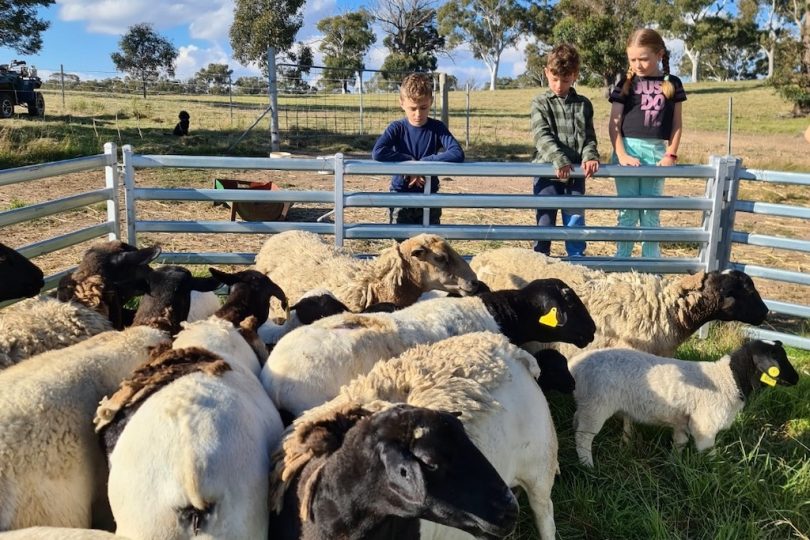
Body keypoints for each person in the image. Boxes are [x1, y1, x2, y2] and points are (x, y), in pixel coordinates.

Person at [609, 28, 687, 258]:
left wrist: (670, 154)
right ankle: (621, 260)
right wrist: (622, 155)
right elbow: (613, 124)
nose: (638, 64)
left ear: (659, 54)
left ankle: (651, 263)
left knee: (650, 211)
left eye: (643, 59)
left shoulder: (673, 83)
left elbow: (677, 123)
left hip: (656, 153)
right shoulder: (625, 83)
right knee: (627, 212)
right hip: (628, 151)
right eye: (633, 59)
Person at [530, 43, 600, 256]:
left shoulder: (583, 104)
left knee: (575, 220)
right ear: (546, 73)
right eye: (555, 79)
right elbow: (541, 135)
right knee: (545, 222)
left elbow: (589, 137)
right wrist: (558, 159)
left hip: (575, 173)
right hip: (547, 172)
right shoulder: (540, 103)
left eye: (566, 80)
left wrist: (590, 155)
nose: (560, 85)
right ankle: (540, 261)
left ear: (575, 76)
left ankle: (577, 261)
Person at [372, 72, 464, 225]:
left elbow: (457, 153)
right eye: (412, 108)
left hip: (429, 193)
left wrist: (423, 164)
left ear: (431, 101)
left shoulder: (438, 128)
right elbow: (378, 152)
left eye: (423, 107)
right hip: (400, 194)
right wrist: (410, 164)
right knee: (401, 242)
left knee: (429, 242)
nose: (418, 114)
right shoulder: (397, 128)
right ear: (402, 103)